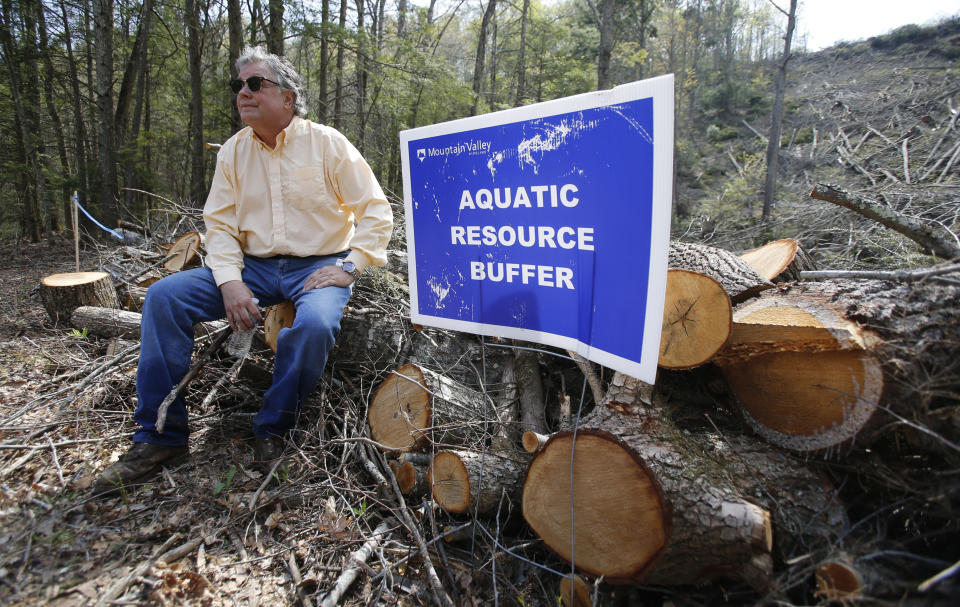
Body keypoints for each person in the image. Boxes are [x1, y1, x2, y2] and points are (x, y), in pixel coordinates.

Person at [94, 46, 393, 491]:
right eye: (239, 85)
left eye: (256, 83)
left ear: (288, 97)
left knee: (313, 326)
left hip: (318, 265)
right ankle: (162, 437)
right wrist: (230, 282)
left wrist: (350, 265)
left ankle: (272, 428)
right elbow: (219, 225)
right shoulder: (233, 152)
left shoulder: (327, 144)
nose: (244, 92)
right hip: (252, 267)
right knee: (163, 297)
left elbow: (375, 211)